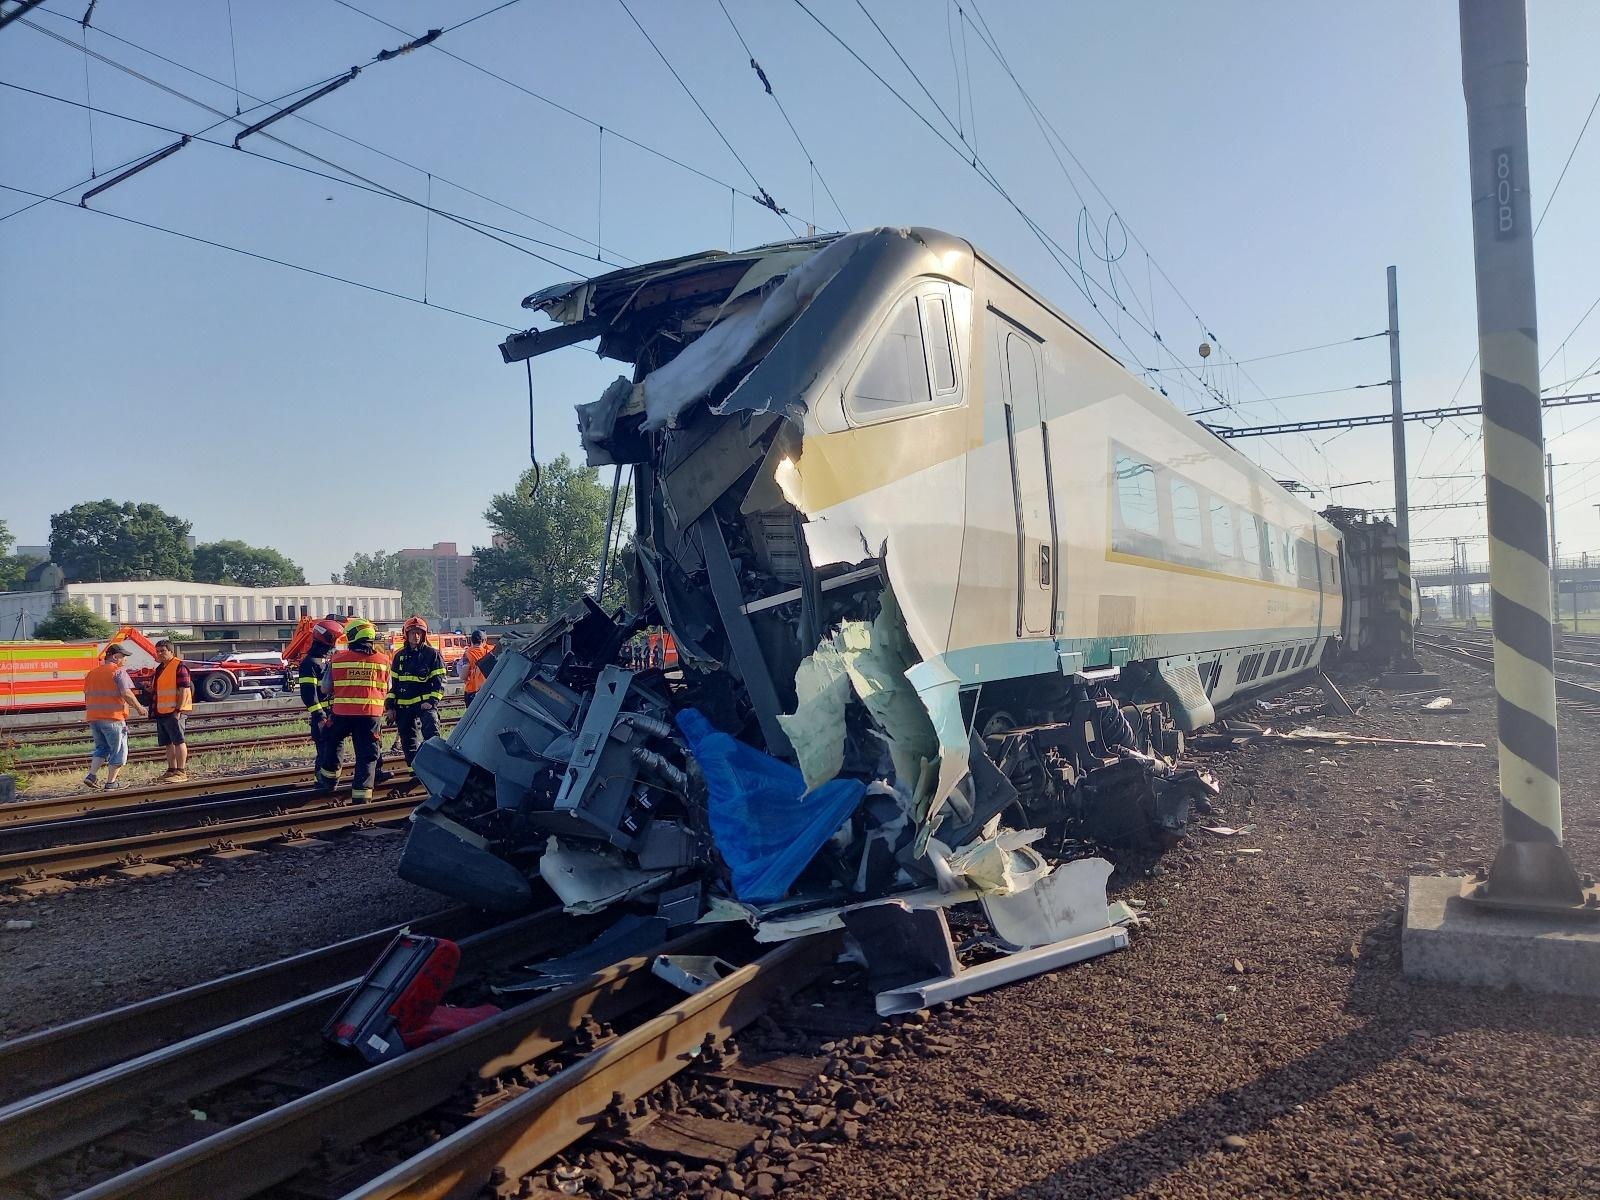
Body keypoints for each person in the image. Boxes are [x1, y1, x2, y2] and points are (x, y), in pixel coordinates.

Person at [315, 617, 390, 801]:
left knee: (332, 741)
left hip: (342, 714)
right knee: (367, 755)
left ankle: (329, 779)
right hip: (371, 716)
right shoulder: (384, 660)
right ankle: (361, 797)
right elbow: (388, 687)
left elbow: (325, 688)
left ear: (352, 637)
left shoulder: (338, 659)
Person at [82, 642, 147, 790]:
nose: (125, 660)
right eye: (123, 657)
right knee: (119, 751)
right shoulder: (118, 672)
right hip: (113, 717)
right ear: (115, 657)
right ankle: (111, 783)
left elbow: (87, 695)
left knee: (102, 748)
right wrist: (139, 707)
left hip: (94, 718)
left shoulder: (91, 673)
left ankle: (91, 775)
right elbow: (126, 693)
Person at [387, 615, 446, 765]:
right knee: (408, 742)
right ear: (406, 634)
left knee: (432, 735)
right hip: (403, 707)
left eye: (419, 632)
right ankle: (414, 770)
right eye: (413, 632)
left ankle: (434, 767)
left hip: (424, 704)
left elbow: (439, 682)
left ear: (424, 635)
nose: (416, 636)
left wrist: (432, 702)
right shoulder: (399, 656)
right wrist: (390, 706)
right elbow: (394, 685)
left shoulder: (432, 654)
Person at [297, 616, 344, 762]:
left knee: (335, 755)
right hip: (323, 717)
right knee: (326, 756)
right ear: (328, 639)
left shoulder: (329, 659)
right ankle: (322, 777)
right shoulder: (310, 663)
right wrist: (320, 716)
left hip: (335, 715)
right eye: (336, 640)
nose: (337, 644)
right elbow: (308, 695)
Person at [149, 639, 193, 782]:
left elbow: (184, 690)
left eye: (163, 651)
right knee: (168, 743)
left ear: (171, 651)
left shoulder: (179, 666)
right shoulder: (160, 668)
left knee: (178, 741)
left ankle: (181, 771)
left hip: (174, 711)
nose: (160, 654)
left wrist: (178, 711)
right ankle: (171, 770)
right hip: (162, 711)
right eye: (158, 651)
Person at [458, 629, 492, 707]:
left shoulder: (468, 653)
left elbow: (463, 676)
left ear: (471, 641)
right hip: (487, 689)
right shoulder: (490, 651)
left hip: (472, 691)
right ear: (483, 641)